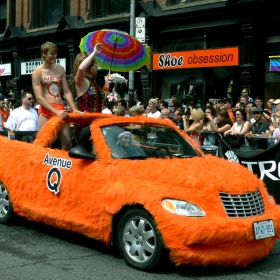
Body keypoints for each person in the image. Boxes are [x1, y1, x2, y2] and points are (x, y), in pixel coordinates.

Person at [32, 41, 80, 150]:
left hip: (60, 107)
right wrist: (56, 111)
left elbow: (66, 91)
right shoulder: (37, 72)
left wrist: (74, 109)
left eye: (56, 53)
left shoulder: (60, 69)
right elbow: (39, 97)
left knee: (68, 144)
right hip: (45, 110)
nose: (55, 56)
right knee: (43, 144)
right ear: (44, 53)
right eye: (52, 54)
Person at [71, 43, 113, 136]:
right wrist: (94, 53)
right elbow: (81, 69)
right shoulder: (81, 80)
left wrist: (107, 83)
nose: (97, 66)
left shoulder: (93, 82)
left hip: (97, 123)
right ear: (89, 66)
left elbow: (101, 101)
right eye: (95, 64)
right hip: (85, 125)